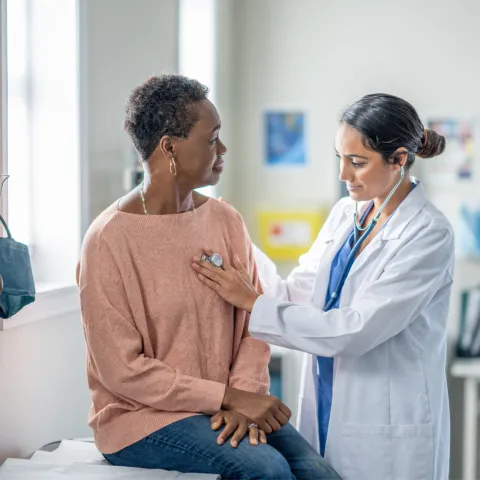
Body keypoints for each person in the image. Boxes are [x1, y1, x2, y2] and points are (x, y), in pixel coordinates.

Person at [78, 74, 340, 480]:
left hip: (226, 405)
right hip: (141, 418)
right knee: (266, 469)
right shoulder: (107, 240)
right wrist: (226, 397)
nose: (223, 149)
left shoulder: (225, 220)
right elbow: (122, 371)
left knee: (317, 472)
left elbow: (252, 323)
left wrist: (245, 398)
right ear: (169, 147)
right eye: (211, 138)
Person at [193, 93, 454, 480]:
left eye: (357, 162)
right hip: (328, 407)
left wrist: (251, 301)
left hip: (387, 424)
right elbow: (294, 293)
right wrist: (238, 239)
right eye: (341, 159)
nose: (343, 176)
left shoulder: (428, 233)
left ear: (399, 159)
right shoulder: (344, 215)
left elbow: (355, 330)